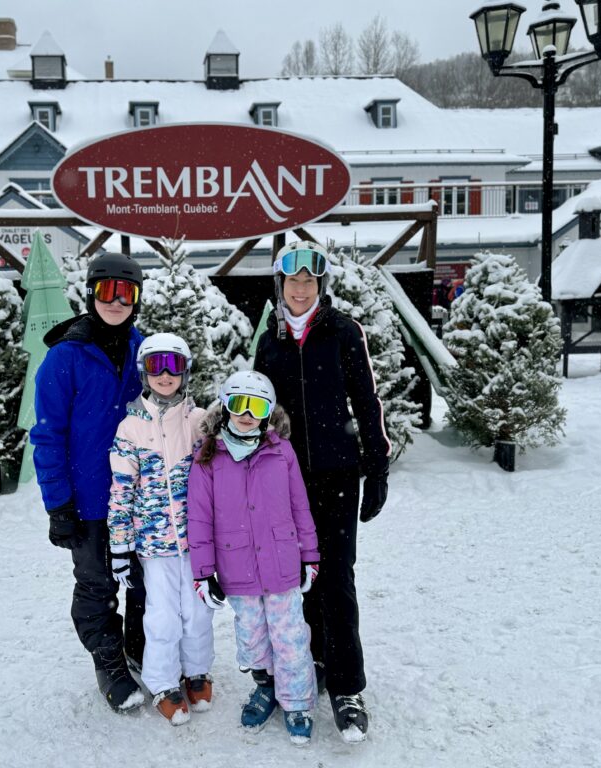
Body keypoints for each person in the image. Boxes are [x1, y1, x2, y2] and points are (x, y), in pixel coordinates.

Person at [253, 240, 391, 743]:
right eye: (292, 282)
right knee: (296, 578)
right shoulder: (269, 344)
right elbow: (259, 416)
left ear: (320, 285)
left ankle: (348, 688)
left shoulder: (343, 333)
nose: (300, 290)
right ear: (281, 286)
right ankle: (311, 661)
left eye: (309, 282)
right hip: (287, 482)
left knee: (336, 578)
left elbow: (367, 399)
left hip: (335, 478)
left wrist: (375, 468)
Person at [30, 251, 147, 713]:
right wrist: (59, 503)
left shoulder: (145, 351)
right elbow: (48, 435)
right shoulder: (66, 357)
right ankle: (108, 660)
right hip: (89, 499)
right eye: (106, 291)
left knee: (146, 578)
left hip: (140, 496)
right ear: (91, 293)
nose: (115, 301)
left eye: (126, 292)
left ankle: (141, 645)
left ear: (136, 299)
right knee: (97, 582)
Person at [188, 370, 321, 745]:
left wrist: (309, 555)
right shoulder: (208, 455)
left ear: (267, 412)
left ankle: (296, 701)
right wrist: (203, 572)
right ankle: (265, 687)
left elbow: (300, 506)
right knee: (252, 635)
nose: (246, 413)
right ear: (225, 406)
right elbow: (198, 517)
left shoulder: (282, 451)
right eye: (238, 403)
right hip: (237, 566)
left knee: (290, 635)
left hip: (280, 563)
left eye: (257, 405)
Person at [106, 332, 215, 726]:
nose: (165, 374)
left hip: (198, 541)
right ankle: (164, 682)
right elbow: (120, 492)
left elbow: (221, 477)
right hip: (155, 545)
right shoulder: (130, 429)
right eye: (156, 365)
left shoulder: (200, 421)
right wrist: (120, 546)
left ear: (185, 371)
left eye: (173, 365)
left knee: (198, 612)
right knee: (163, 617)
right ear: (144, 372)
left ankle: (197, 671)